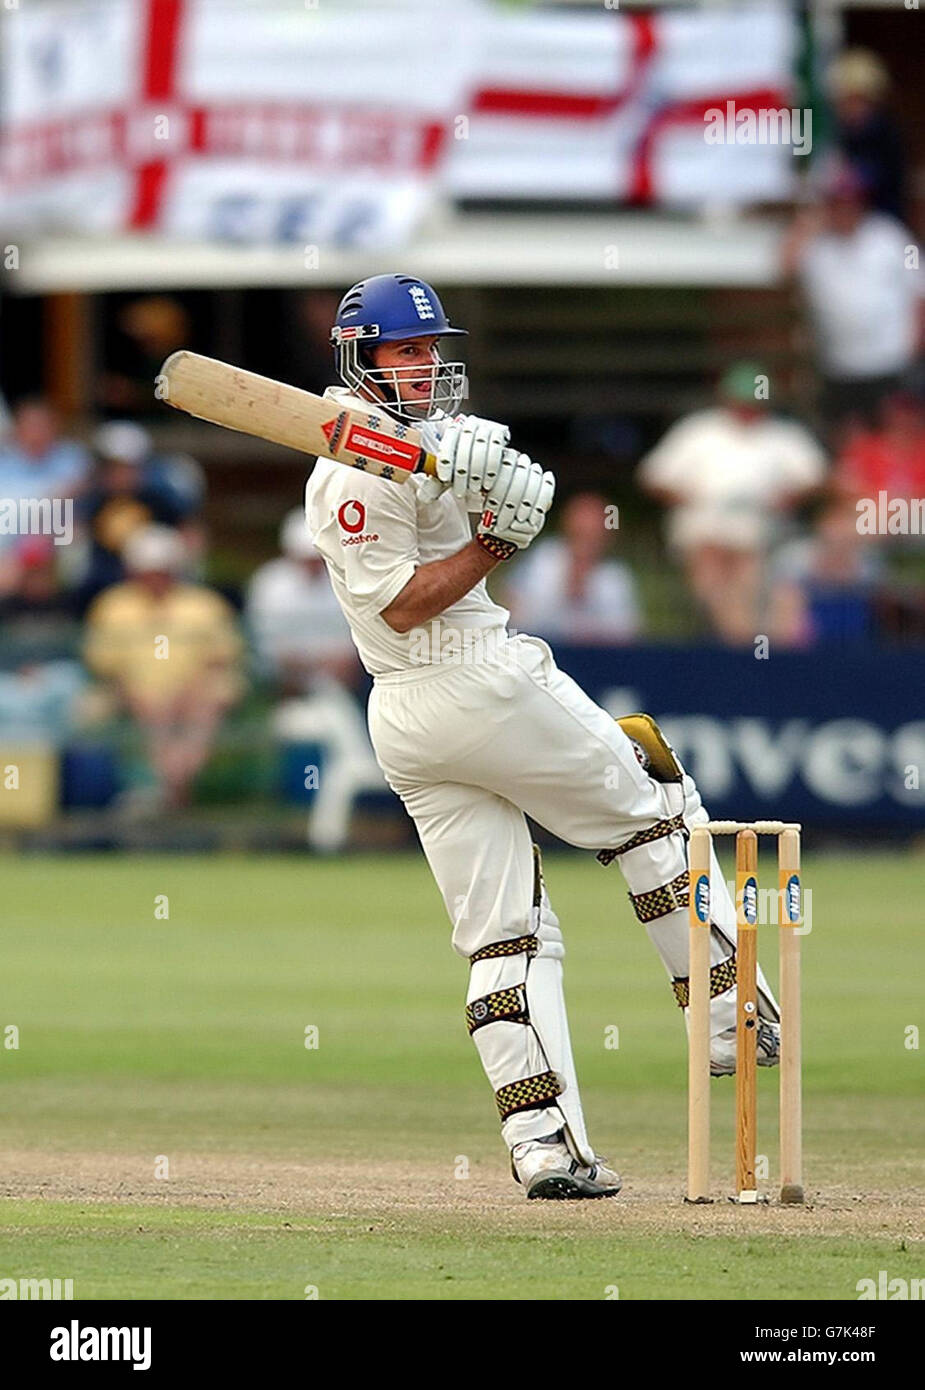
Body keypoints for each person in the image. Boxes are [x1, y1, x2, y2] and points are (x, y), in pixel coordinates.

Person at [305, 274, 783, 1200]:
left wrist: (480, 484)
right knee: (651, 803)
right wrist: (493, 543)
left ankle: (546, 1148)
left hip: (410, 723)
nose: (425, 365)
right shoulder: (346, 476)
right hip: (464, 674)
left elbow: (458, 481)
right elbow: (402, 607)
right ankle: (728, 1012)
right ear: (359, 360)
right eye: (404, 351)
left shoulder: (421, 440)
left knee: (507, 936)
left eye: (430, 348)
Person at [637, 364, 826, 644]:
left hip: (763, 542)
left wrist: (787, 498)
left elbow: (818, 477)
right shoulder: (698, 431)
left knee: (761, 589)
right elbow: (652, 477)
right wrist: (688, 498)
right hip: (704, 539)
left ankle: (752, 649)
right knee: (722, 587)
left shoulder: (782, 436)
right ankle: (747, 650)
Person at [84, 526, 243, 812]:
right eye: (148, 571)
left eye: (162, 571)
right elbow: (105, 667)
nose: (155, 579)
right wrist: (142, 700)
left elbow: (220, 659)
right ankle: (170, 794)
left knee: (213, 697)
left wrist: (183, 696)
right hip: (131, 698)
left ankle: (169, 791)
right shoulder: (113, 606)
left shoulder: (203, 605)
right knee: (95, 707)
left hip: (193, 698)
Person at [782, 161, 925, 444]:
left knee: (894, 437)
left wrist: (914, 347)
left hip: (890, 363)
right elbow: (784, 267)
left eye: (850, 201)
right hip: (839, 367)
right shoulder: (815, 244)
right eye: (837, 202)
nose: (845, 209)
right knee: (846, 442)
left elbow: (918, 292)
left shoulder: (889, 237)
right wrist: (808, 222)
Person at [504, 491, 642, 644]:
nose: (588, 533)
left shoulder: (615, 578)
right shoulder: (542, 560)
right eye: (582, 530)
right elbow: (517, 619)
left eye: (594, 530)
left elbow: (627, 633)